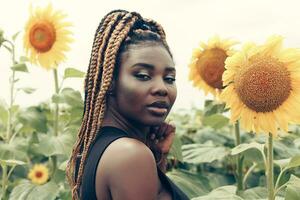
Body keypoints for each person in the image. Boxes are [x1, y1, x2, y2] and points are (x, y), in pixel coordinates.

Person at [66, 9, 190, 200]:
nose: (162, 88)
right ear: (110, 81)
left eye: (169, 78)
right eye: (143, 76)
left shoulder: (101, 148)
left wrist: (157, 156)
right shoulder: (130, 155)